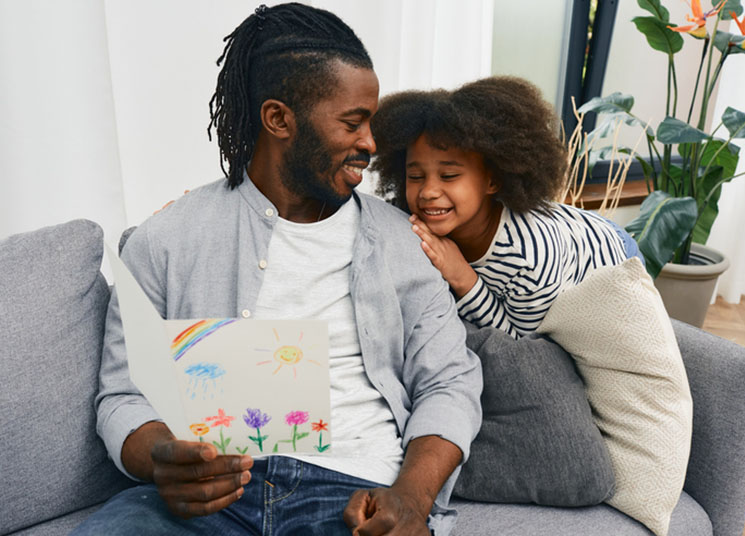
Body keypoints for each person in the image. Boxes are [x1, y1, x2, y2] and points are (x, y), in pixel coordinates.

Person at [73, 4, 482, 535]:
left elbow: (450, 382)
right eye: (352, 123)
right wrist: (162, 460)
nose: (371, 144)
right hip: (208, 500)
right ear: (279, 119)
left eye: (371, 123)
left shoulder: (403, 244)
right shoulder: (166, 241)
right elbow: (124, 394)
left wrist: (411, 499)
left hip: (354, 497)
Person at [371, 76, 645, 339]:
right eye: (415, 177)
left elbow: (525, 342)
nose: (428, 191)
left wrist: (463, 277)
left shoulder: (529, 260)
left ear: (493, 180)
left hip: (612, 256)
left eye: (449, 176)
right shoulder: (422, 218)